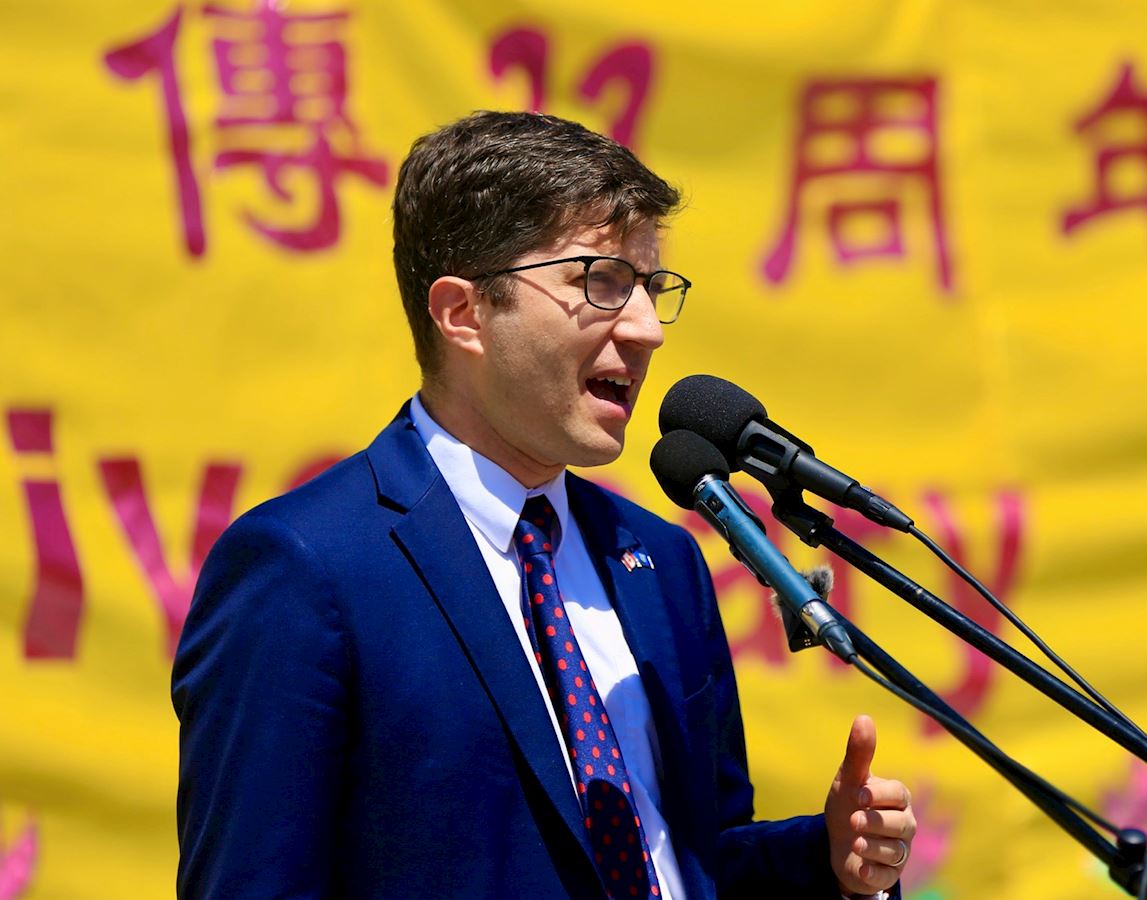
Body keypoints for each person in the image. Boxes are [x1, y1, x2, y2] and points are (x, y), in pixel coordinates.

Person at [172, 110, 917, 898]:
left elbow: (692, 856)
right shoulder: (306, 568)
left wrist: (829, 862)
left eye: (650, 287)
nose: (646, 329)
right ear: (463, 314)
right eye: (602, 281)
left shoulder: (662, 561)